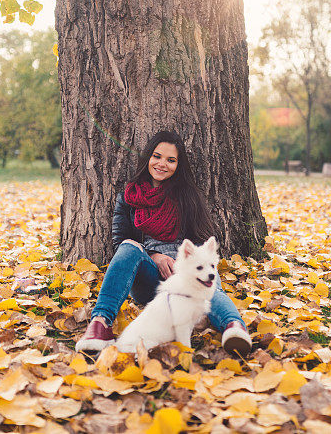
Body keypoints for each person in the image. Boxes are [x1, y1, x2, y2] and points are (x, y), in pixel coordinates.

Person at [75, 130, 252, 356]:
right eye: (157, 156)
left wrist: (184, 269)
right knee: (128, 247)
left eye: (171, 160)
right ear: (148, 157)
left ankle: (233, 328)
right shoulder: (129, 197)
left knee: (208, 278)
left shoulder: (187, 196)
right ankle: (100, 326)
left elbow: (202, 243)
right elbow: (121, 243)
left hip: (188, 278)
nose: (162, 164)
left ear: (178, 165)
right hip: (150, 280)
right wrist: (154, 256)